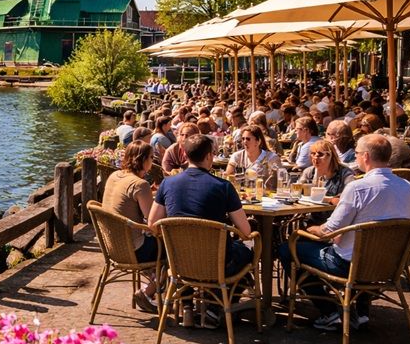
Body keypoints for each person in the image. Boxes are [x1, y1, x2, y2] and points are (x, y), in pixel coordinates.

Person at [280, 134, 410, 330]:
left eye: (356, 154)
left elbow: (328, 230)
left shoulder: (358, 188)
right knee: (355, 245)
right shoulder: (409, 188)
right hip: (392, 263)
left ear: (365, 157)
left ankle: (328, 310)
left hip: (349, 265)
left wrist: (309, 230)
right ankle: (361, 311)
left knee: (287, 248)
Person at [149, 135, 254, 328]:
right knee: (248, 251)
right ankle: (216, 307)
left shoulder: (168, 184)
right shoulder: (224, 187)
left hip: (179, 262)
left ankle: (199, 307)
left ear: (184, 155)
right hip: (217, 265)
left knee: (231, 251)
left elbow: (153, 223)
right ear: (208, 157)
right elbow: (246, 231)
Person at [101, 142, 160, 314]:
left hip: (111, 246)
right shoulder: (140, 185)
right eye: (151, 157)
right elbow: (153, 223)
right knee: (173, 248)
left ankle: (154, 281)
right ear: (142, 160)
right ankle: (149, 291)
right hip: (133, 249)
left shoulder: (114, 176)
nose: (153, 161)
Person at [296, 140, 356, 222]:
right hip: (311, 217)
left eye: (320, 154)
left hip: (335, 220)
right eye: (313, 153)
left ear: (331, 155)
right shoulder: (309, 172)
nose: (316, 157)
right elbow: (297, 191)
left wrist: (327, 199)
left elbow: (349, 199)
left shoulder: (345, 173)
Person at [226, 125, 282, 189]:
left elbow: (280, 181)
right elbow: (228, 178)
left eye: (248, 139)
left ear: (258, 142)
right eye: (243, 138)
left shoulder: (272, 158)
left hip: (265, 196)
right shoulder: (237, 156)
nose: (244, 142)